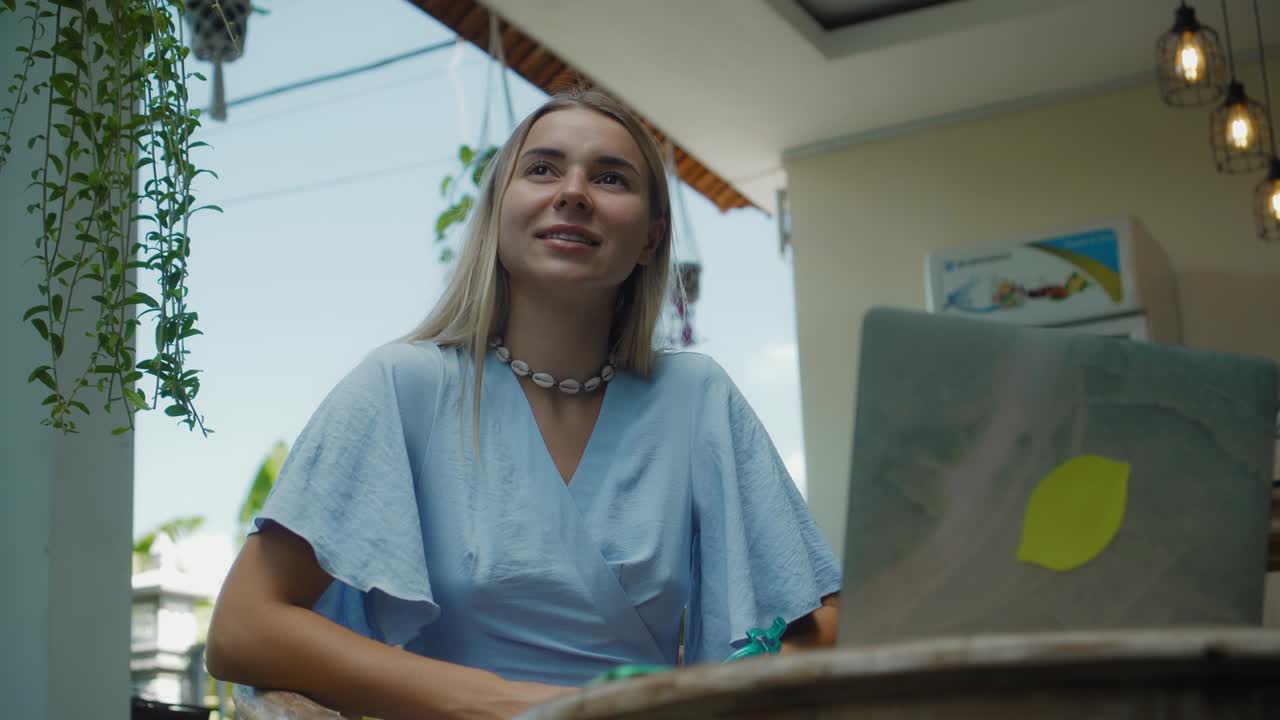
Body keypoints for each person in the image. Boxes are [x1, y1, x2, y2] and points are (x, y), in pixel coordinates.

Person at [205, 87, 842, 720]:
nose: (573, 192)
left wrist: (699, 701)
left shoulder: (697, 399)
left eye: (611, 178)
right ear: (497, 214)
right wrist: (532, 709)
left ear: (651, 238)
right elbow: (241, 629)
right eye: (541, 169)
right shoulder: (402, 387)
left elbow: (821, 623)